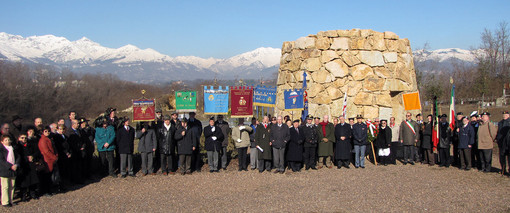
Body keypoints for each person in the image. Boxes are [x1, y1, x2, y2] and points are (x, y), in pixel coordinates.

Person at [18, 131, 39, 201]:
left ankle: (32, 193)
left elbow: (36, 152)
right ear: (19, 138)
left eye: (25, 138)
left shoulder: (30, 145)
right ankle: (23, 195)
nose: (24, 139)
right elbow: (18, 156)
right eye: (22, 138)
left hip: (31, 164)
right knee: (24, 182)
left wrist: (32, 156)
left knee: (33, 180)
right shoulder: (18, 147)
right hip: (23, 165)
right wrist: (26, 158)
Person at [38, 127, 59, 196]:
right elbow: (46, 151)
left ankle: (49, 189)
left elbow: (54, 148)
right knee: (46, 176)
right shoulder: (43, 140)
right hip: (47, 160)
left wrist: (56, 155)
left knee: (50, 176)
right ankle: (45, 191)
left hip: (51, 159)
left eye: (48, 131)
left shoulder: (49, 139)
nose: (47, 132)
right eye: (46, 131)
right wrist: (54, 157)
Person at [0, 135, 20, 207]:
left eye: (8, 140)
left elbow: (18, 157)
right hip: (5, 170)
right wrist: (10, 166)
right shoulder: (1, 149)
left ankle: (11, 200)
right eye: (6, 140)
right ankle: (5, 202)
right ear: (2, 142)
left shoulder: (13, 148)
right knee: (5, 186)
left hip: (14, 169)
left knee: (12, 185)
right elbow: (1, 160)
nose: (8, 141)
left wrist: (16, 165)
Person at [66, 120, 85, 184]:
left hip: (79, 151)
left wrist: (82, 146)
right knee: (73, 167)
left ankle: (79, 179)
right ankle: (74, 180)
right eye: (77, 123)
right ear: (73, 124)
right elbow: (69, 142)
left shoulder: (79, 131)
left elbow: (82, 139)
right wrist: (76, 148)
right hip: (73, 151)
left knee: (79, 166)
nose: (78, 125)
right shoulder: (69, 132)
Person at [496, 111, 510, 175]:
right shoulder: (500, 122)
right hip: (501, 143)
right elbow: (498, 132)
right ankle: (503, 169)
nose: (504, 116)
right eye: (504, 115)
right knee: (502, 157)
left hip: (508, 143)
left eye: (506, 115)